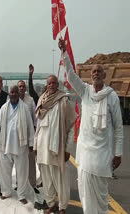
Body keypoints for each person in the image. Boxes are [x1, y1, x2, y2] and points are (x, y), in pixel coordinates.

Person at [59, 39, 123, 214]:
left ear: (104, 76)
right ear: (90, 75)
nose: (96, 74)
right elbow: (71, 76)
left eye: (99, 71)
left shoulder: (112, 96)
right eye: (93, 71)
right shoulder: (85, 91)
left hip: (102, 157)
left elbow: (118, 127)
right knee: (85, 195)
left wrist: (118, 153)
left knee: (101, 197)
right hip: (86, 154)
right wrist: (64, 53)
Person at [34, 75, 75, 214]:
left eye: (54, 83)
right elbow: (38, 125)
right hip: (42, 146)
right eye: (49, 83)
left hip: (57, 147)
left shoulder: (63, 101)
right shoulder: (42, 100)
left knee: (60, 179)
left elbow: (71, 126)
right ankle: (51, 204)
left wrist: (68, 149)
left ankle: (63, 207)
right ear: (46, 85)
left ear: (57, 85)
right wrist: (35, 145)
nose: (51, 85)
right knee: (46, 178)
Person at [0, 85, 35, 204]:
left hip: (21, 146)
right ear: (9, 94)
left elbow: (30, 126)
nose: (13, 94)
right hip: (6, 145)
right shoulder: (4, 107)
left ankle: (22, 194)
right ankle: (6, 192)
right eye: (11, 92)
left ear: (18, 94)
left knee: (22, 172)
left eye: (15, 92)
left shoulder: (24, 108)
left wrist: (31, 143)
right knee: (4, 171)